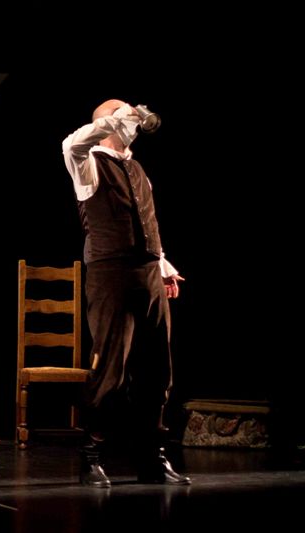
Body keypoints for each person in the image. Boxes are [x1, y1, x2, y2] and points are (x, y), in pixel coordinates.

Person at [61, 99, 190, 487]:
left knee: (158, 370)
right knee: (111, 369)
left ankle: (153, 458)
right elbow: (71, 144)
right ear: (110, 123)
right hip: (110, 274)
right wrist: (112, 118)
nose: (134, 123)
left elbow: (148, 222)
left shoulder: (137, 169)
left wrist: (163, 266)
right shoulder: (88, 162)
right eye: (126, 117)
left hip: (148, 275)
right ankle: (92, 455)